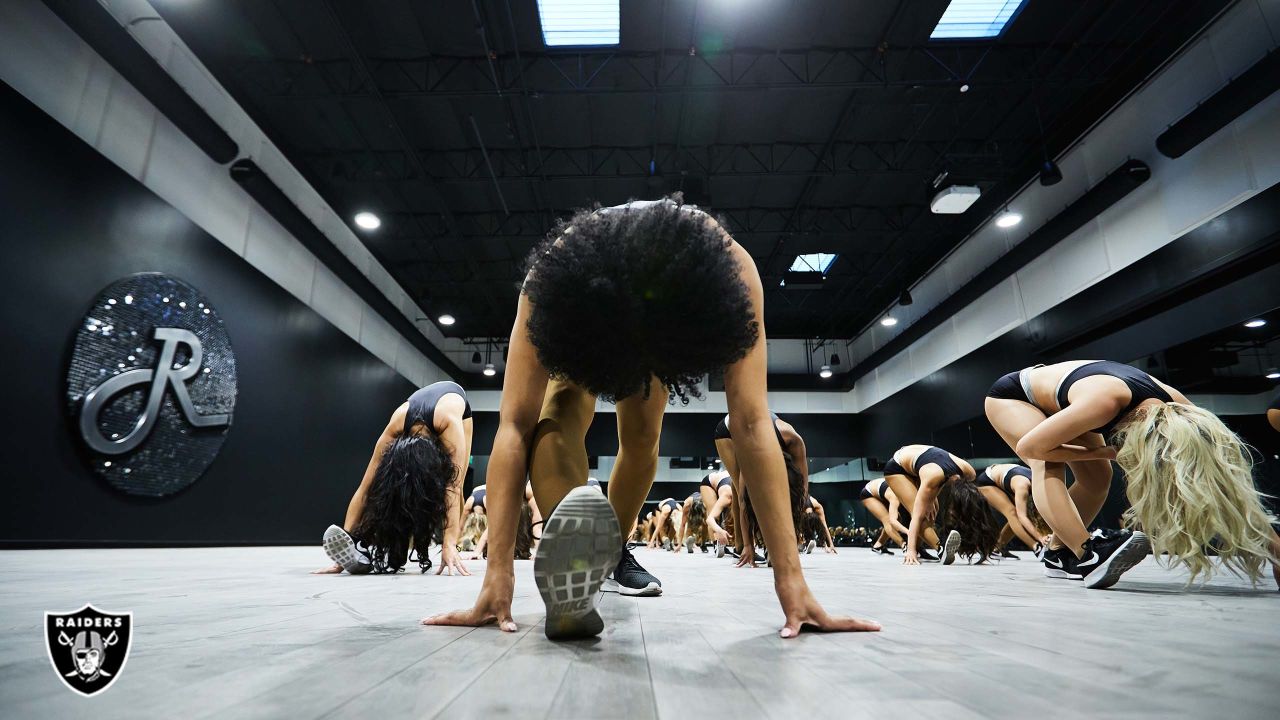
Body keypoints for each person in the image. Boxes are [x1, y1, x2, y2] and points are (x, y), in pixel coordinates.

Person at [423, 196, 879, 640]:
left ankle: (607, 553)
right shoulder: (551, 282)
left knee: (642, 437)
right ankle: (577, 564)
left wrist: (793, 583)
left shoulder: (732, 273)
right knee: (560, 410)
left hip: (660, 306)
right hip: (585, 310)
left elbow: (752, 423)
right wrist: (496, 579)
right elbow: (515, 426)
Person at [986, 360, 1280, 589]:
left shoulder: (1181, 409)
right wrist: (1104, 452)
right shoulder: (1105, 403)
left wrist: (1275, 546)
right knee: (1046, 463)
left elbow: (1222, 483)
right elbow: (1031, 446)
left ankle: (1057, 552)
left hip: (1070, 400)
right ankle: (1087, 552)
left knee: (1098, 479)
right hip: (1015, 396)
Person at [314, 381, 473, 576]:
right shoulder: (396, 426)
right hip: (415, 413)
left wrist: (448, 545)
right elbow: (365, 488)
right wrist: (347, 544)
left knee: (458, 482)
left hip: (458, 405)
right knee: (392, 487)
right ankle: (358, 544)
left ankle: (454, 545)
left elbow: (452, 489)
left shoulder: (450, 423)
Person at [715, 411, 809, 566]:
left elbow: (802, 492)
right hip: (728, 431)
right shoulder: (750, 454)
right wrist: (748, 545)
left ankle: (773, 545)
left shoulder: (794, 441)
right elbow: (743, 499)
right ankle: (741, 547)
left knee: (790, 501)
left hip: (759, 431)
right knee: (742, 491)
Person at [883, 444, 997, 566]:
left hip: (921, 462)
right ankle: (940, 549)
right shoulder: (933, 477)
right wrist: (910, 551)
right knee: (921, 514)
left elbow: (967, 500)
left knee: (933, 510)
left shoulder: (969, 472)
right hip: (897, 468)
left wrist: (931, 499)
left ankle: (919, 547)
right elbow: (916, 517)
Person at [976, 464, 1050, 557]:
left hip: (1006, 480)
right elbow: (1022, 516)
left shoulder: (1042, 484)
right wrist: (1040, 538)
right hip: (988, 481)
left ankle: (997, 548)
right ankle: (1036, 547)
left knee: (1017, 515)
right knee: (1013, 513)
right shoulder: (1022, 486)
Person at [858, 478, 910, 555]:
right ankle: (904, 545)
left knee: (898, 518)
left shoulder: (902, 492)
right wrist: (908, 532)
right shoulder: (894, 496)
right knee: (887, 520)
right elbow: (892, 521)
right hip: (868, 494)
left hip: (881, 493)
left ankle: (878, 546)